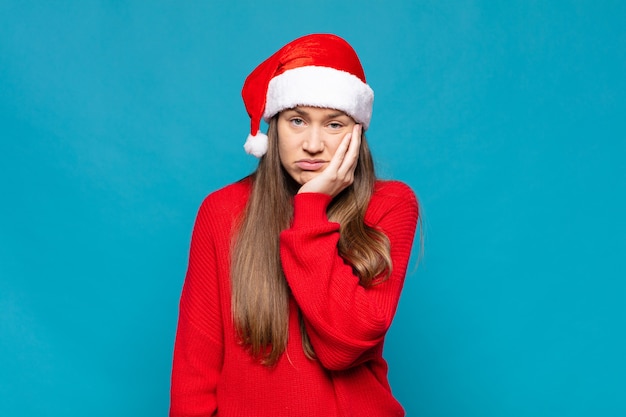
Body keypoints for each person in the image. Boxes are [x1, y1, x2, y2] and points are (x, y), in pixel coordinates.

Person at [169, 33, 419, 417]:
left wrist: (311, 207)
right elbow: (194, 373)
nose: (314, 144)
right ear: (273, 126)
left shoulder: (389, 205)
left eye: (334, 125)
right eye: (297, 121)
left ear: (357, 133)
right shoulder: (222, 211)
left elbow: (345, 346)